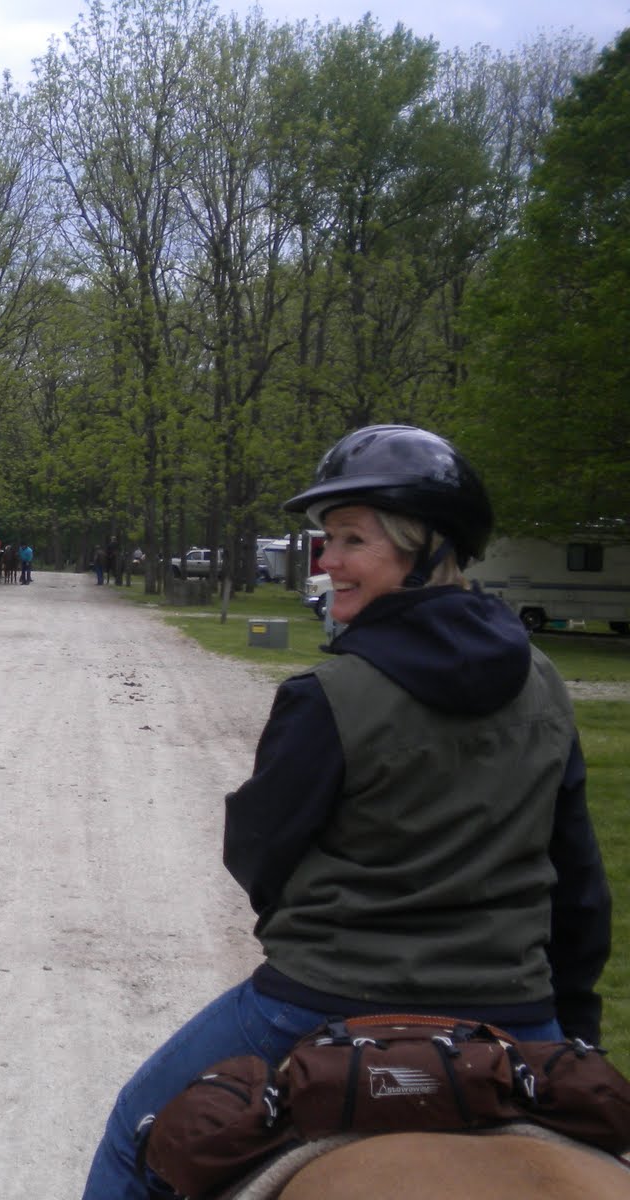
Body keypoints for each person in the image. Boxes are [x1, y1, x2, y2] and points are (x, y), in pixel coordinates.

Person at [78, 425, 612, 1200]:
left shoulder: (325, 697)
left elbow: (258, 854)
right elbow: (579, 881)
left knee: (136, 1133)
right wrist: (571, 1025)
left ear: (427, 548)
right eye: (326, 539)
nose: (326, 561)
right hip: (515, 1010)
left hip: (319, 1001)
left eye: (352, 540)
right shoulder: (546, 685)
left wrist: (315, 937)